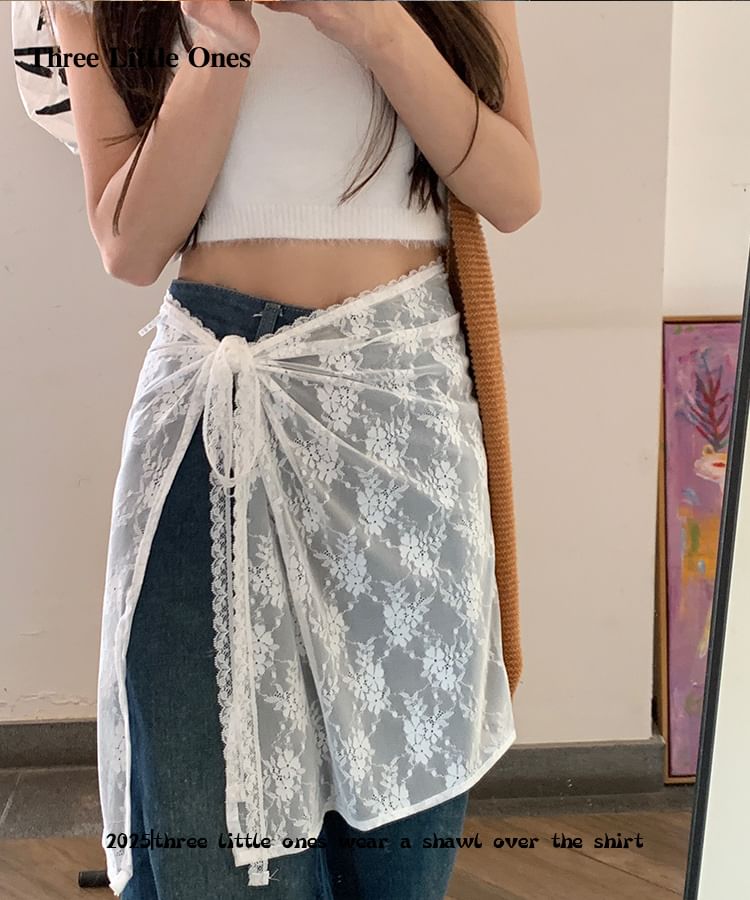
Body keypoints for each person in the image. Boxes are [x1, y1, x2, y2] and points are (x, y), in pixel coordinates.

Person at [43, 2, 541, 898]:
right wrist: (220, 43)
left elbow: (512, 191)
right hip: (210, 416)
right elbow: (130, 243)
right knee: (213, 851)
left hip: (399, 417)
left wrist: (371, 23)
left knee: (399, 860)